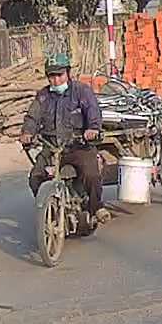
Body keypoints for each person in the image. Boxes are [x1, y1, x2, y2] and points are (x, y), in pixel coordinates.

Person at [18, 54, 109, 225]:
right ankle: (49, 209)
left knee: (91, 175)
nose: (56, 80)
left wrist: (92, 129)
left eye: (60, 75)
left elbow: (93, 111)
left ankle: (96, 207)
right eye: (52, 76)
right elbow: (32, 117)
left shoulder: (81, 91)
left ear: (68, 73)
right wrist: (27, 132)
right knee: (35, 177)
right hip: (52, 147)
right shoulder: (43, 96)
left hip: (78, 146)